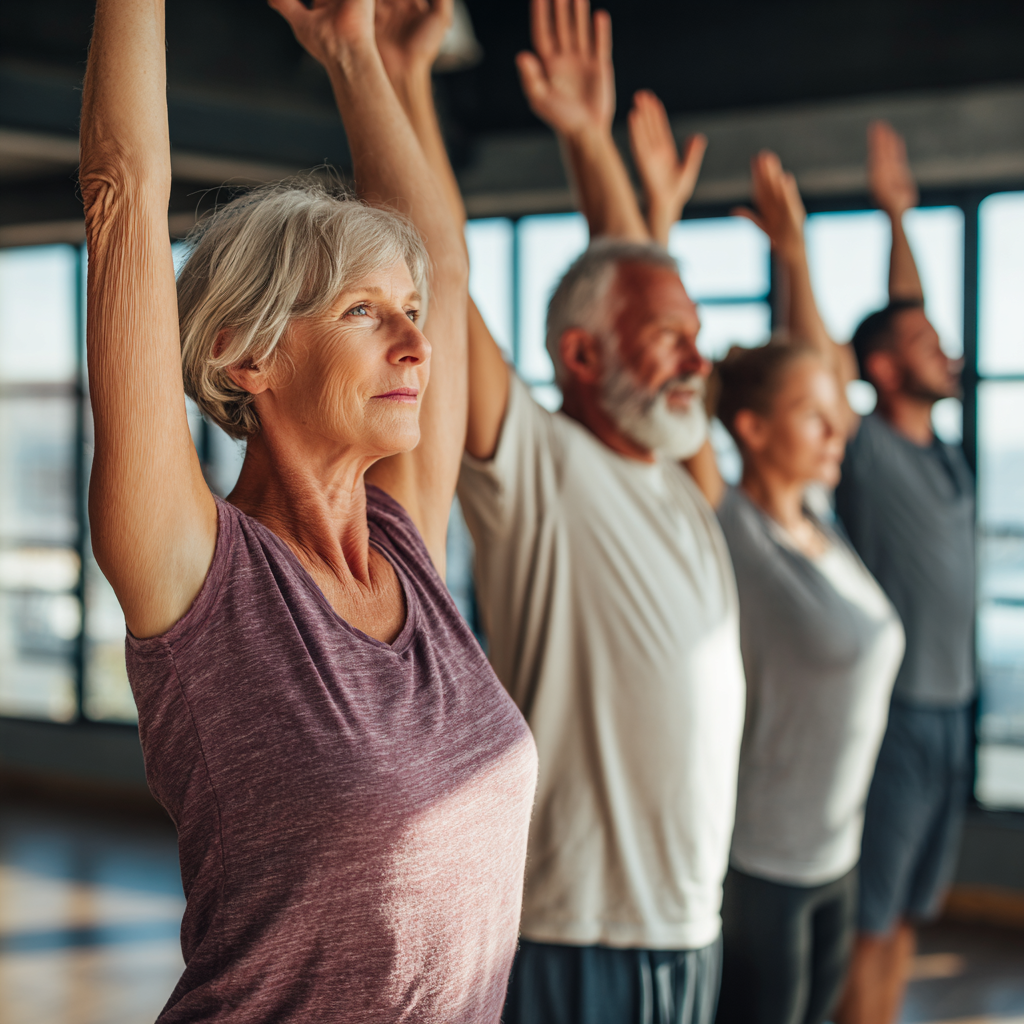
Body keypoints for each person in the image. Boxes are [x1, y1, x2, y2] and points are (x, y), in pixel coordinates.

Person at [79, 0, 536, 1019]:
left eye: (407, 315)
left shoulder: (403, 538)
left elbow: (446, 269)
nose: (417, 346)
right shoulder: (196, 571)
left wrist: (352, 53)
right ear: (247, 354)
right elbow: (122, 191)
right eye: (365, 313)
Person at [454, 2, 747, 1021]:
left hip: (687, 929)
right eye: (674, 339)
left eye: (697, 335)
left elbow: (629, 294)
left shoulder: (678, 479)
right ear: (580, 362)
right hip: (575, 933)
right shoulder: (539, 467)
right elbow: (446, 282)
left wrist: (590, 137)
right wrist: (376, 69)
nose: (697, 362)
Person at [666, 153, 905, 1024]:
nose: (836, 427)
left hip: (834, 855)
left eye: (832, 415)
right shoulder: (733, 527)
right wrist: (649, 224)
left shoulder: (824, 526)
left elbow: (824, 381)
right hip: (761, 863)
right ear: (754, 431)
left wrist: (798, 256)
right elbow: (689, 404)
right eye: (812, 418)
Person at [832, 122, 976, 1024]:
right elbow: (889, 324)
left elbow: (905, 321)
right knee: (872, 917)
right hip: (898, 718)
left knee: (913, 913)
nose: (944, 347)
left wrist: (898, 216)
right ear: (884, 370)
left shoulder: (941, 456)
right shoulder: (870, 451)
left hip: (956, 708)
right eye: (922, 340)